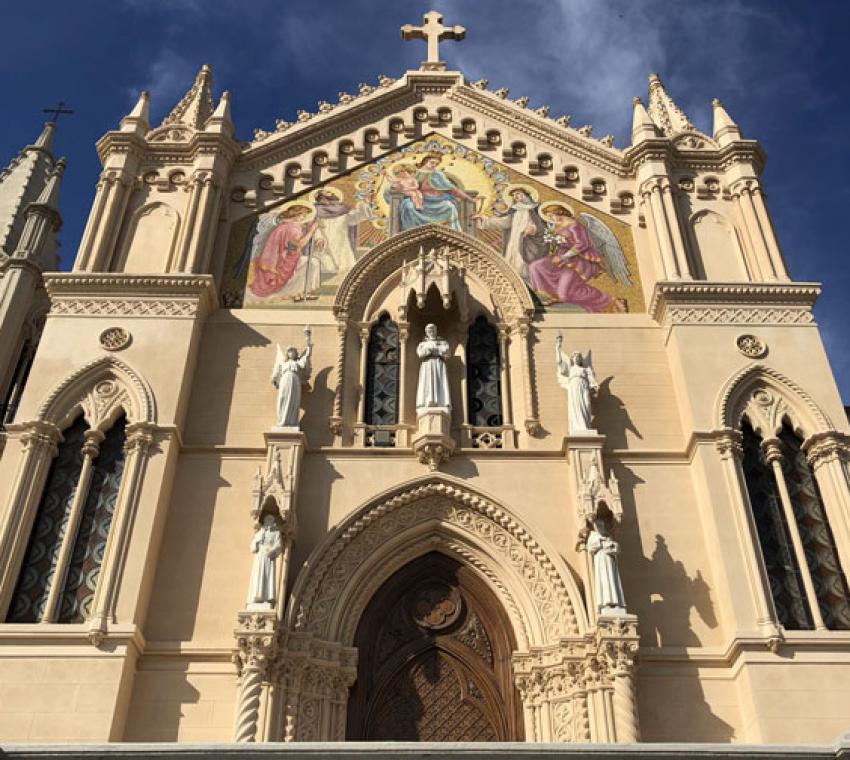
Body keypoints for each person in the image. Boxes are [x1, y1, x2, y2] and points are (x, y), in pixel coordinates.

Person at [529, 203, 626, 312]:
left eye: (551, 215)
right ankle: (554, 295)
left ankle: (611, 300)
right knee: (535, 266)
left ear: (559, 212)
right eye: (549, 217)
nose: (551, 218)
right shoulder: (557, 224)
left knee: (566, 295)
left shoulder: (575, 225)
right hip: (560, 256)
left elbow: (582, 244)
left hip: (578, 260)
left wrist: (564, 257)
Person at [474, 185, 547, 279]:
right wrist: (484, 220)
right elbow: (503, 222)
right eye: (513, 195)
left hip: (527, 243)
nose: (515, 196)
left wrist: (533, 229)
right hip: (514, 241)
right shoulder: (514, 211)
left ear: (526, 195)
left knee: (522, 267)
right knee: (512, 264)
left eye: (518, 193)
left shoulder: (535, 210)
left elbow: (542, 227)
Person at [388, 153, 473, 231]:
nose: (434, 165)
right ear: (425, 161)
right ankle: (412, 233)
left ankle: (451, 233)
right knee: (408, 206)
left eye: (436, 164)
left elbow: (451, 188)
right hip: (416, 199)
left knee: (450, 207)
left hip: (437, 200)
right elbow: (400, 183)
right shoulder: (413, 172)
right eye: (432, 162)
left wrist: (468, 198)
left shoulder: (438, 174)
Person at [250, 205, 318, 298]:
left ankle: (300, 291)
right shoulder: (292, 228)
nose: (304, 217)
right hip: (282, 262)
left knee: (311, 262)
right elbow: (300, 244)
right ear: (296, 214)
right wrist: (312, 231)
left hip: (279, 259)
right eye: (303, 214)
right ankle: (302, 292)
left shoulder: (284, 226)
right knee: (314, 263)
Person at [312, 188, 371, 275]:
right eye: (327, 192)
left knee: (344, 266)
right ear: (321, 198)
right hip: (325, 239)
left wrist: (365, 204)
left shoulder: (342, 209)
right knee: (328, 265)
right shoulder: (316, 211)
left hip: (341, 240)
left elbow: (355, 218)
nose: (331, 193)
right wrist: (319, 237)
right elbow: (315, 226)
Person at [555, 333, 598, 434]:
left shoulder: (586, 369)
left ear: (580, 359)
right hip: (574, 387)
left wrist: (594, 386)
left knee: (586, 404)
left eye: (578, 356)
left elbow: (591, 380)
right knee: (576, 406)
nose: (576, 357)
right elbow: (560, 362)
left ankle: (586, 425)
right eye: (574, 356)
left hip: (584, 387)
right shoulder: (570, 369)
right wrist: (558, 347)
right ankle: (578, 427)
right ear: (572, 359)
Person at [271, 330, 312, 428]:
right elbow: (276, 373)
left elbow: (307, 354)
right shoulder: (283, 363)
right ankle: (282, 420)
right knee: (283, 398)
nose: (291, 353)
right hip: (285, 380)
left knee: (293, 401)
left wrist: (308, 338)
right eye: (290, 351)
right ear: (287, 353)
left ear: (296, 353)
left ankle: (292, 422)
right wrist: (274, 379)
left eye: (293, 351)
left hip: (295, 381)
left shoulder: (298, 363)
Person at [586, 517, 626, 615]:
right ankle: (606, 603)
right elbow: (591, 548)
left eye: (602, 526)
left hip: (610, 561)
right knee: (604, 580)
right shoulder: (593, 536)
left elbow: (617, 548)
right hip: (601, 561)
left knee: (612, 580)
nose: (601, 527)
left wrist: (612, 545)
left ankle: (615, 603)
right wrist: (601, 542)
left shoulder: (608, 536)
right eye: (598, 526)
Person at [246, 514, 283, 608]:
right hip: (259, 556)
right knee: (258, 575)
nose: (268, 522)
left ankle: (266, 596)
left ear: (273, 522)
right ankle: (257, 596)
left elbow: (279, 545)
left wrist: (272, 550)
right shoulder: (259, 533)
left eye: (270, 520)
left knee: (267, 576)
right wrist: (259, 539)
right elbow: (253, 547)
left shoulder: (276, 533)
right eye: (267, 520)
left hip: (269, 556)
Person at [415, 323, 451, 414]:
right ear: (426, 332)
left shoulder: (443, 342)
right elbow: (420, 353)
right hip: (427, 365)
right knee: (427, 383)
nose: (431, 332)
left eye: (433, 330)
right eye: (429, 330)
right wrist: (435, 350)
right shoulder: (422, 344)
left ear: (436, 331)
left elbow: (447, 353)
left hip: (439, 365)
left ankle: (441, 402)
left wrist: (433, 350)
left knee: (440, 383)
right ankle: (428, 402)